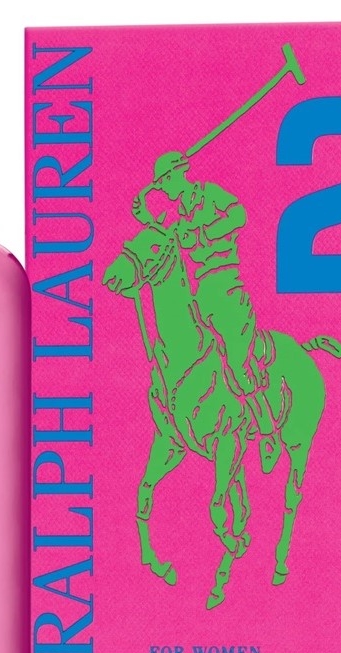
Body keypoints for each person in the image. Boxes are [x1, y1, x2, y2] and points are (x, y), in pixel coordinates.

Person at [132, 151, 280, 470]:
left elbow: (239, 215)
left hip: (227, 290)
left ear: (177, 175)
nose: (163, 189)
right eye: (159, 185)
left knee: (238, 366)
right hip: (201, 296)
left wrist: (205, 232)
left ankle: (267, 432)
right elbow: (164, 240)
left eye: (164, 182)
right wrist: (145, 217)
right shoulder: (179, 216)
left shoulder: (208, 195)